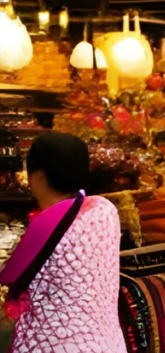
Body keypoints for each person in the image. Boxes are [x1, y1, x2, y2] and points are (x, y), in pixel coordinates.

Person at [1, 132, 126, 353]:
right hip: (106, 343)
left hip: (53, 345)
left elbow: (9, 276)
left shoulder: (44, 225)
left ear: (37, 176)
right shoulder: (105, 210)